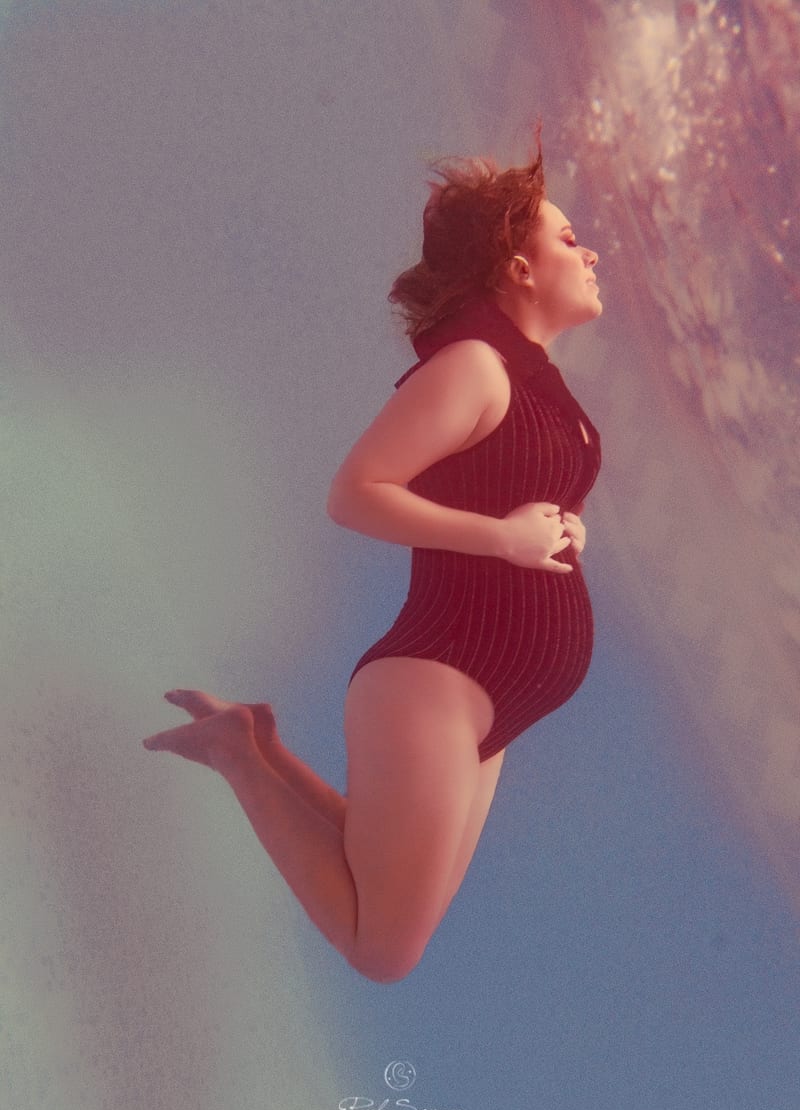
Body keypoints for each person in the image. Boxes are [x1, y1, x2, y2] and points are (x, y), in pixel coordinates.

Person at [142, 129, 603, 984]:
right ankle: (240, 758)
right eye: (569, 239)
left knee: (380, 892)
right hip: (440, 679)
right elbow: (356, 493)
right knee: (383, 949)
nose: (591, 252)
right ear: (519, 268)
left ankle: (255, 742)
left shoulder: (540, 386)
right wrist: (505, 538)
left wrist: (567, 530)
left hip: (495, 694)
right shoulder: (474, 367)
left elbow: (510, 490)